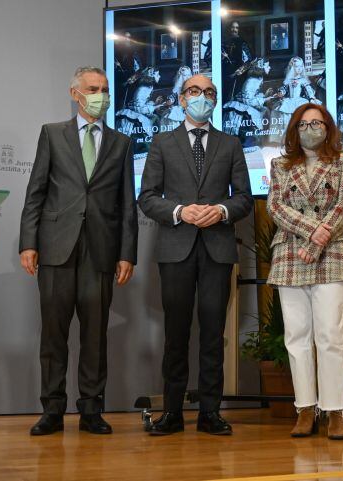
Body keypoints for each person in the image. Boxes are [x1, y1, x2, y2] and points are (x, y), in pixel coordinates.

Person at [19, 66, 138, 436]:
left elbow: (126, 205)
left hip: (101, 250)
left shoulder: (121, 142)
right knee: (53, 335)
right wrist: (28, 242)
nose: (100, 95)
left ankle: (91, 410)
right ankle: (52, 410)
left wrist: (127, 253)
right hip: (56, 247)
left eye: (104, 89)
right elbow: (35, 192)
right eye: (93, 89)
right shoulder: (52, 134)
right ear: (75, 94)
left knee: (95, 335)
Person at [139, 74, 253, 436]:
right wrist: (179, 212)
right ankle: (171, 413)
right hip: (176, 249)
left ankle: (210, 413)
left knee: (212, 334)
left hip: (218, 249)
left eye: (209, 93)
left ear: (215, 101)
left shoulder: (231, 143)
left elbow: (244, 198)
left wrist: (220, 211)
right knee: (176, 334)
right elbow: (148, 197)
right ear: (181, 99)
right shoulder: (162, 142)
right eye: (194, 91)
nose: (201, 97)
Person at [266, 103, 343, 440]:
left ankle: (336, 411)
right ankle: (305, 409)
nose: (310, 128)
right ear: (294, 129)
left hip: (332, 253)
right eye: (303, 124)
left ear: (328, 127)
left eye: (317, 123)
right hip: (290, 255)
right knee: (296, 337)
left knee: (331, 336)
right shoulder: (280, 165)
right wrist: (312, 231)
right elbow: (275, 206)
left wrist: (320, 239)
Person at [269, 56, 321, 144]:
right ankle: (287, 138)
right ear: (292, 68)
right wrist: (281, 92)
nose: (299, 69)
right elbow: (284, 89)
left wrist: (312, 98)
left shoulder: (303, 80)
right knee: (284, 114)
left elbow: (308, 90)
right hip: (290, 100)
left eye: (301, 66)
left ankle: (302, 138)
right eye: (297, 67)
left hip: (300, 101)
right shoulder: (288, 80)